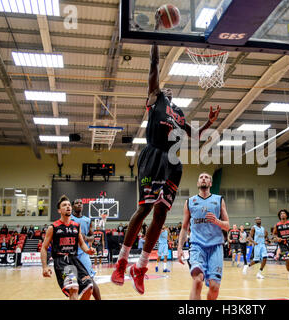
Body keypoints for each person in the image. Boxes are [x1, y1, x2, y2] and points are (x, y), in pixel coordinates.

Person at [110, 12, 220, 295]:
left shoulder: (179, 113)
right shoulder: (155, 98)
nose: (166, 89)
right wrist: (157, 33)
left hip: (173, 162)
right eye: (163, 88)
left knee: (161, 215)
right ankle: (122, 262)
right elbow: (154, 64)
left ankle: (141, 267)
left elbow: (194, 135)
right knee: (144, 208)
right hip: (153, 155)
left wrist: (209, 122)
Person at [177, 172, 230, 300]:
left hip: (216, 246)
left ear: (210, 183)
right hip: (197, 246)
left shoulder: (219, 200)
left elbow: (227, 225)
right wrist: (179, 247)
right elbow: (184, 227)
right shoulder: (189, 202)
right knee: (197, 280)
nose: (203, 179)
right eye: (201, 177)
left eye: (206, 177)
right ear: (198, 183)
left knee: (214, 287)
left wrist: (217, 221)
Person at [41, 195, 95, 300]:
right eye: (64, 205)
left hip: (75, 259)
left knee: (89, 287)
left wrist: (88, 250)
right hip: (62, 261)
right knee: (74, 288)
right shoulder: (53, 227)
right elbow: (44, 247)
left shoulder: (76, 225)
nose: (68, 207)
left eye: (69, 205)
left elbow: (82, 243)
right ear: (59, 210)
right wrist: (44, 267)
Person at [70, 199, 102, 300]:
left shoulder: (87, 220)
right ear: (72, 206)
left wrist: (85, 238)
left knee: (90, 280)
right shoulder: (69, 218)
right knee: (73, 285)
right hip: (71, 253)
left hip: (83, 253)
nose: (79, 205)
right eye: (76, 203)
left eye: (81, 203)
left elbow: (92, 237)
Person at [273, 209, 289, 284]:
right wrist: (277, 238)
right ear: (279, 216)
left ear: (286, 215)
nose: (282, 214)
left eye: (284, 213)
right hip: (282, 243)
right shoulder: (277, 225)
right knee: (287, 258)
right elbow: (274, 234)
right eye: (281, 214)